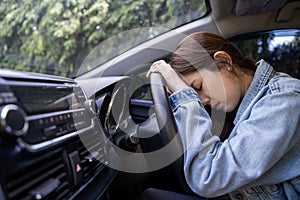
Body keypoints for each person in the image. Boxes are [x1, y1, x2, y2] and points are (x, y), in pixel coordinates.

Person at [140, 32, 300, 199]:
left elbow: (208, 177)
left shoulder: (283, 100)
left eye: (199, 86)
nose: (201, 102)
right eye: (194, 93)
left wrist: (185, 97)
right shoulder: (244, 107)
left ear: (224, 62)